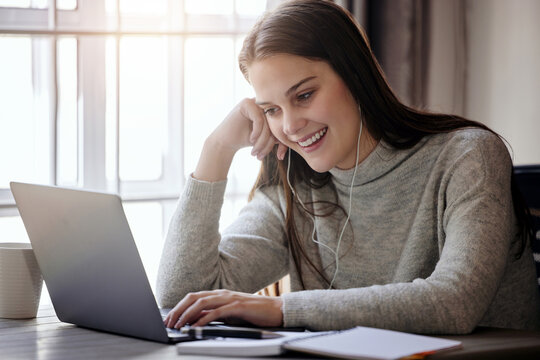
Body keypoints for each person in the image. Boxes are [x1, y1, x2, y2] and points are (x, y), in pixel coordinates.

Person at [157, 0, 540, 334]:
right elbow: (181, 299)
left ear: (355, 76)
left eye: (304, 95)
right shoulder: (293, 187)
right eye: (271, 109)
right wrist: (217, 150)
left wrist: (282, 309)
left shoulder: (468, 156)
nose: (289, 126)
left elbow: (455, 302)